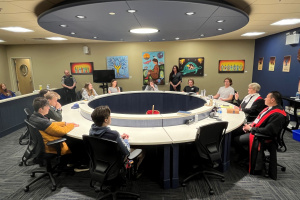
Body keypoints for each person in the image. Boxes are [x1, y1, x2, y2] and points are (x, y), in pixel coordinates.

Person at [233, 91, 288, 168]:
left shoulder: (277, 114)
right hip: (258, 129)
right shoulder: (269, 109)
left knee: (236, 139)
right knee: (235, 131)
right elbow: (259, 120)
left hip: (263, 136)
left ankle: (247, 158)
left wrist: (251, 128)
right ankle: (242, 156)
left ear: (272, 100)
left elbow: (268, 131)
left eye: (267, 97)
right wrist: (250, 124)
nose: (264, 99)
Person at [89, 105, 144, 172]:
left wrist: (119, 137)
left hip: (99, 161)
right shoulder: (114, 135)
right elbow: (126, 151)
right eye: (109, 116)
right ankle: (131, 171)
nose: (110, 117)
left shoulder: (91, 131)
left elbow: (105, 136)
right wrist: (125, 140)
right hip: (115, 163)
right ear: (106, 120)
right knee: (142, 152)